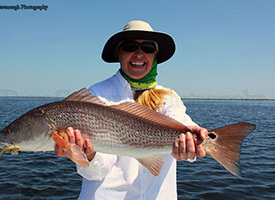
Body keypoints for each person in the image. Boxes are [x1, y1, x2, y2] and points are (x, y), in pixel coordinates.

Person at [56, 20, 208, 200]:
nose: (139, 53)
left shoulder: (169, 97)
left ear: (155, 54)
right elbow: (96, 172)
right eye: (130, 46)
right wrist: (88, 155)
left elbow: (180, 121)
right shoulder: (96, 96)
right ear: (119, 53)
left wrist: (195, 140)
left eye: (148, 47)